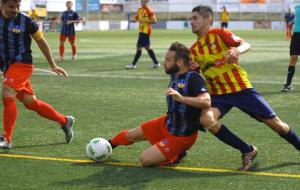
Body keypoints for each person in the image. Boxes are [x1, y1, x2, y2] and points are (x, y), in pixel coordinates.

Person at [189, 5, 300, 170]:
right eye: (190, 19)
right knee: (206, 119)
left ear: (208, 20)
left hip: (240, 88)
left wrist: (237, 51)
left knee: (276, 125)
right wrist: (192, 70)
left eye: (195, 18)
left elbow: (245, 44)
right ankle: (248, 150)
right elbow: (197, 74)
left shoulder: (220, 34)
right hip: (218, 94)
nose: (191, 22)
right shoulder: (193, 50)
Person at [110, 42, 210, 166]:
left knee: (145, 160)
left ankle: (177, 154)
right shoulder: (175, 73)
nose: (164, 62)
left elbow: (206, 101)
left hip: (181, 137)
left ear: (179, 62)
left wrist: (182, 98)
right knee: (132, 135)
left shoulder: (194, 78)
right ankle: (108, 145)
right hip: (166, 123)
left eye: (168, 60)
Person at [0, 0, 75, 149]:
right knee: (31, 102)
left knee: (7, 91)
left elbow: (41, 41)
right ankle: (64, 121)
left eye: (18, 6)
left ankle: (6, 138)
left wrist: (53, 65)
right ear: (1, 5)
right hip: (8, 67)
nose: (15, 9)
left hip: (23, 64)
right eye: (11, 6)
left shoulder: (27, 21)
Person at [126, 0, 160, 69]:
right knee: (142, 47)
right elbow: (137, 18)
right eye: (142, 2)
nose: (143, 3)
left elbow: (155, 21)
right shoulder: (139, 10)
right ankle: (156, 63)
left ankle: (133, 64)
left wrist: (145, 20)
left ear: (147, 3)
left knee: (143, 47)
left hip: (146, 31)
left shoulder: (149, 10)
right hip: (141, 31)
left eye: (144, 2)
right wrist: (134, 20)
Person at [282, 5, 300, 92]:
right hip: (296, 34)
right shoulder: (296, 6)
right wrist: (292, 22)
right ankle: (288, 84)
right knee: (293, 58)